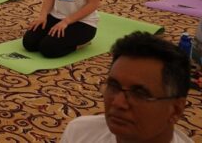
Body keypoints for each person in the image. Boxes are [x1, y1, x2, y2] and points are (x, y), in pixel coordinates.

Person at [61, 32, 191, 143]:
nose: (118, 103)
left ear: (175, 110)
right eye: (114, 86)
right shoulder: (80, 134)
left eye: (139, 93)